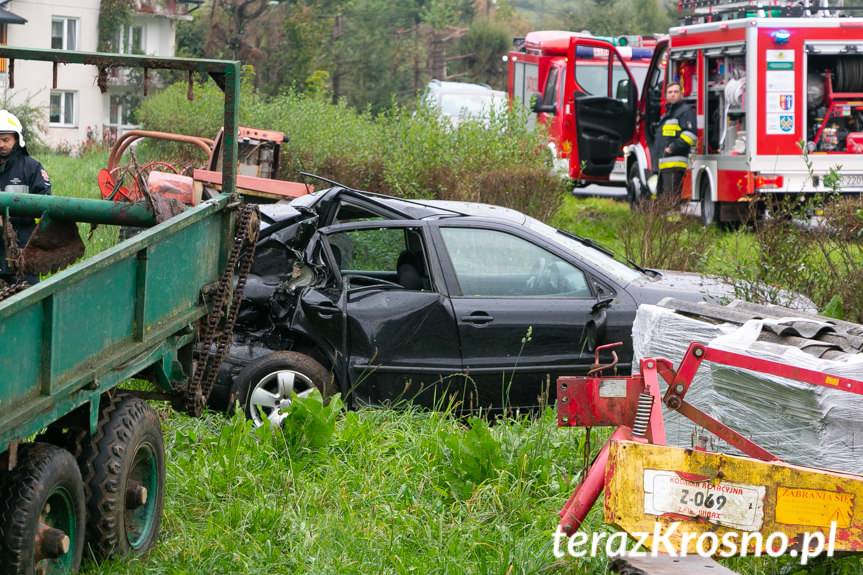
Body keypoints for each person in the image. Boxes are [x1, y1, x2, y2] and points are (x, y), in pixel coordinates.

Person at [0, 110, 51, 284]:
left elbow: (46, 203)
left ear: (16, 140)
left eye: (5, 139)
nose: (1, 144)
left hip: (24, 251)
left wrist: (7, 220)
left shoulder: (32, 168)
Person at [654, 82, 696, 198]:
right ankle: (664, 217)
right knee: (663, 199)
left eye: (676, 92)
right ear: (666, 96)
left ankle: (673, 217)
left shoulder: (685, 111)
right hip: (664, 164)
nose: (672, 95)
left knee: (671, 200)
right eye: (670, 92)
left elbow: (690, 135)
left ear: (681, 94)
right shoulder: (668, 114)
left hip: (675, 163)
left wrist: (672, 148)